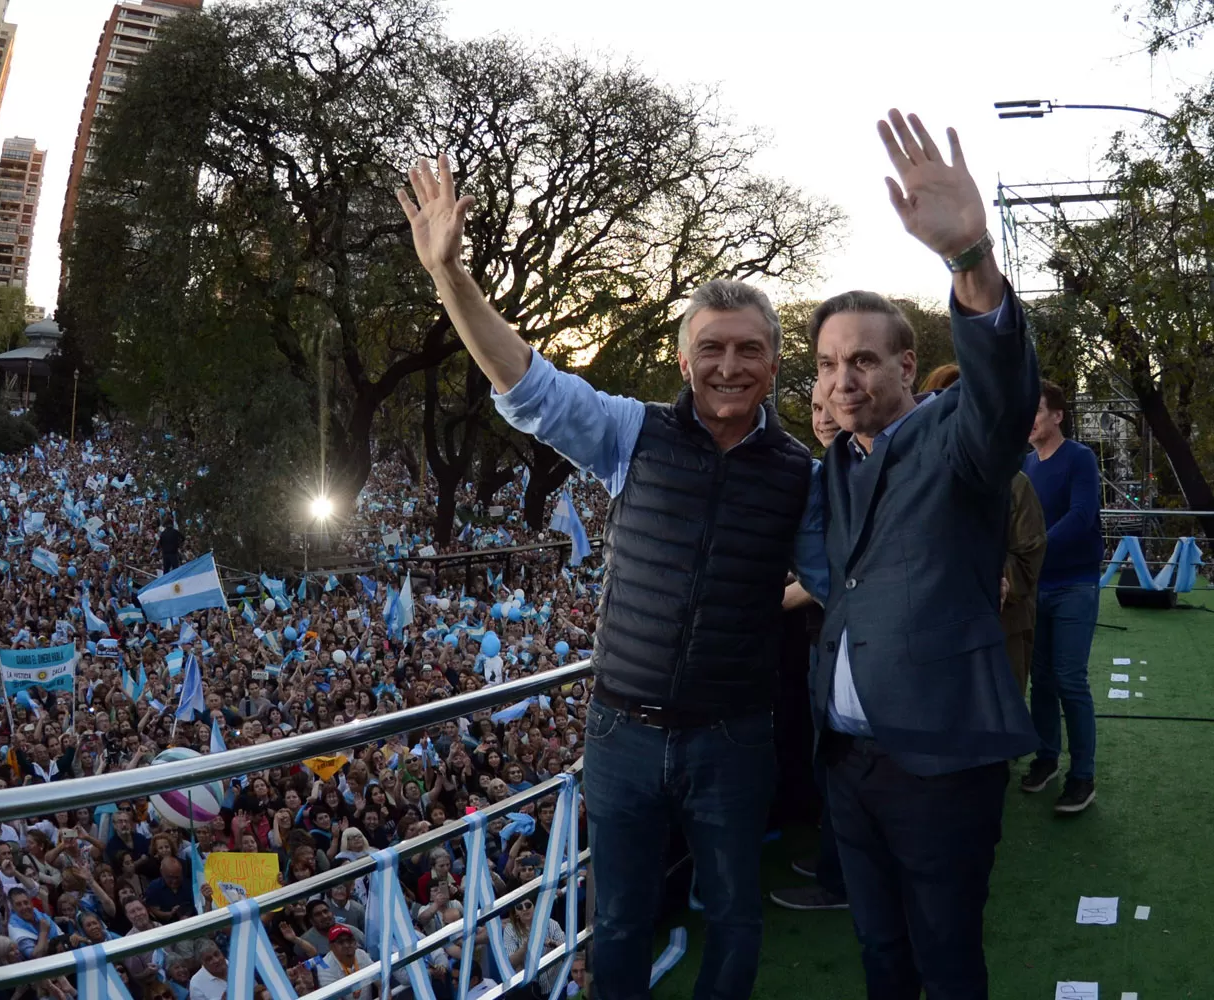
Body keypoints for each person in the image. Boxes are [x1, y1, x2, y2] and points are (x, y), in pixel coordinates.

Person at [398, 153, 825, 1000]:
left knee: (736, 918)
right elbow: (528, 384)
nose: (730, 366)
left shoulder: (800, 474)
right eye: (712, 348)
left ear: (776, 364)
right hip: (621, 733)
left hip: (735, 737)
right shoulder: (632, 434)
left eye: (749, 351)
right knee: (620, 919)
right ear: (682, 359)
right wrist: (449, 273)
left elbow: (843, 574)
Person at [808, 110, 1039, 999]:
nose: (844, 378)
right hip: (849, 764)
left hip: (940, 760)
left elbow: (1002, 389)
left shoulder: (957, 438)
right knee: (881, 956)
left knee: (945, 959)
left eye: (865, 360)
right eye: (829, 364)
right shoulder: (832, 462)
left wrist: (969, 257)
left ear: (909, 366)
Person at [920, 363, 1046, 696]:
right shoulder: (912, 482)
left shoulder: (1015, 485)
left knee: (996, 735)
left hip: (999, 633)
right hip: (930, 638)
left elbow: (1027, 561)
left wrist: (975, 575)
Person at [770, 390, 849, 913]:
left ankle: (841, 879)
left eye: (830, 408)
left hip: (848, 638)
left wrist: (784, 596)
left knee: (843, 761)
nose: (822, 419)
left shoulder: (858, 475)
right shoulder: (831, 471)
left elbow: (846, 573)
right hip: (825, 637)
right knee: (830, 759)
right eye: (815, 409)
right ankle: (834, 862)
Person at [1021, 379, 1103, 812]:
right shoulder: (1025, 464)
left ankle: (1083, 777)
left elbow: (1081, 514)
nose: (1029, 420)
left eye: (1036, 410)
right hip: (1038, 587)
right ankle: (1046, 758)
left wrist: (1034, 549)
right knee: (1042, 681)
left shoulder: (1080, 458)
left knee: (1071, 680)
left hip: (1075, 585)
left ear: (1057, 415)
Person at [314, 925, 373, 1000]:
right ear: (331, 947)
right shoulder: (324, 967)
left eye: (349, 940)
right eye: (340, 942)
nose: (347, 945)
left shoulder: (362, 954)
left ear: (355, 942)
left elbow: (381, 984)